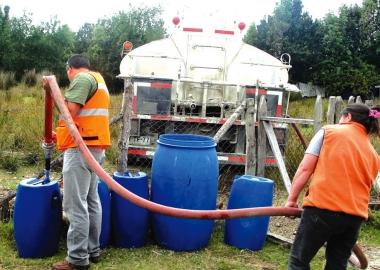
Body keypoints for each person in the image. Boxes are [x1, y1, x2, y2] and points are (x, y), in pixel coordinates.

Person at [285, 103, 380, 270]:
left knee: (299, 261)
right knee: (337, 265)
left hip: (322, 209)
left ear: (348, 117)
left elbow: (305, 169)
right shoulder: (373, 154)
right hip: (354, 217)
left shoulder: (329, 132)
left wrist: (291, 200)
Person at [52, 54, 111, 270]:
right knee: (91, 200)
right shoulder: (99, 80)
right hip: (94, 148)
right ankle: (92, 250)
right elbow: (84, 117)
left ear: (70, 69)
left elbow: (70, 112)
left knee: (76, 204)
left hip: (81, 149)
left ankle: (77, 259)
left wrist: (56, 96)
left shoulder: (82, 79)